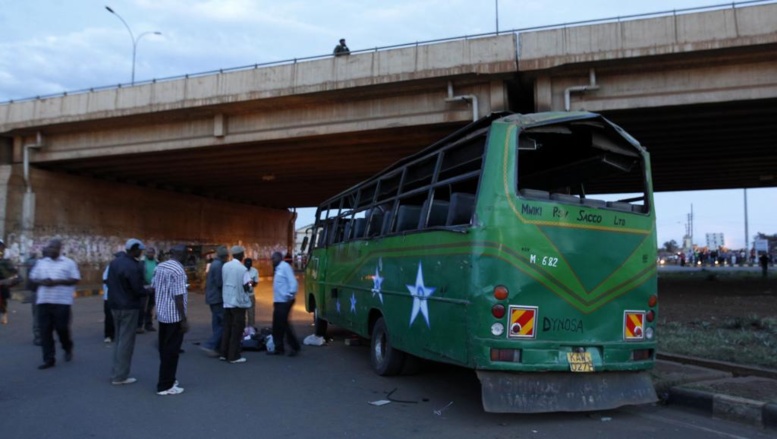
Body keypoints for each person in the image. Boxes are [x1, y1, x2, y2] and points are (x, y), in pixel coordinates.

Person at [29, 239, 80, 369]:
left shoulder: (69, 263)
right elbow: (33, 278)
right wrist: (42, 281)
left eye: (54, 248)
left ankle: (67, 347)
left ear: (59, 249)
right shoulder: (41, 263)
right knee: (45, 331)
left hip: (62, 302)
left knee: (62, 328)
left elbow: (75, 279)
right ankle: (48, 359)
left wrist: (57, 282)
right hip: (43, 301)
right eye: (50, 248)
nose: (51, 250)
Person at [107, 238, 146, 385]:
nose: (140, 252)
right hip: (129, 306)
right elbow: (137, 288)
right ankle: (120, 376)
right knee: (126, 342)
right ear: (134, 249)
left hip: (115, 305)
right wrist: (147, 291)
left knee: (119, 340)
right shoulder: (132, 266)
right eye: (139, 250)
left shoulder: (115, 263)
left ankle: (116, 371)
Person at [153, 245, 189, 396]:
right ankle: (165, 385)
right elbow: (179, 296)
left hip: (162, 315)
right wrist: (183, 319)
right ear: (182, 254)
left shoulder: (160, 266)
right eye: (186, 253)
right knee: (172, 351)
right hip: (174, 316)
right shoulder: (178, 270)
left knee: (164, 349)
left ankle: (168, 379)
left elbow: (154, 287)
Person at [220, 245, 251, 363]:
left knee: (227, 328)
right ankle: (233, 356)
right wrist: (250, 286)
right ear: (241, 255)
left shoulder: (225, 266)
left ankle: (223, 353)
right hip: (238, 302)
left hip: (227, 301)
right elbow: (247, 285)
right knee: (237, 329)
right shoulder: (242, 269)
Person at [268, 251, 300, 357]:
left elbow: (293, 282)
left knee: (283, 324)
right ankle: (280, 347)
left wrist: (289, 295)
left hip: (284, 301)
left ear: (279, 258)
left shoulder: (285, 267)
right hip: (278, 301)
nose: (272, 261)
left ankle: (293, 346)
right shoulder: (277, 269)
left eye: (273, 259)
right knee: (278, 325)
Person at [200, 246, 228, 357]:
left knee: (216, 322)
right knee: (223, 323)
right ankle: (210, 345)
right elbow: (219, 283)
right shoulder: (219, 266)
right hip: (217, 298)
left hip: (212, 297)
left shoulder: (214, 264)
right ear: (224, 256)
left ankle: (216, 347)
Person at [102, 252, 123, 343]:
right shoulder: (110, 267)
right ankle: (108, 335)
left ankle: (118, 334)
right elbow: (105, 280)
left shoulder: (124, 267)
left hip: (120, 296)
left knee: (120, 316)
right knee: (109, 316)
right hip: (109, 296)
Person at [137, 247, 158, 333]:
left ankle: (148, 325)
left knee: (150, 307)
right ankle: (139, 325)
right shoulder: (141, 262)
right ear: (146, 253)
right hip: (143, 287)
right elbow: (138, 274)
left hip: (153, 287)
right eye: (148, 253)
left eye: (151, 253)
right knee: (141, 307)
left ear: (154, 253)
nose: (150, 254)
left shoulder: (157, 262)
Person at [0, 239, 20, 325]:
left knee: (3, 300)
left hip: (3, 282)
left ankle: (4, 315)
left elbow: (13, 271)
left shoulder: (5, 258)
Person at [24, 251, 41, 344]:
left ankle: (40, 336)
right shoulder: (39, 264)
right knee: (38, 315)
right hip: (37, 292)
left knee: (38, 316)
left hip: (38, 293)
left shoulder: (30, 261)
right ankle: (39, 336)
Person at [244, 258, 259, 328]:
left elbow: (255, 283)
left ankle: (251, 328)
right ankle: (242, 329)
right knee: (241, 314)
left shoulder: (254, 271)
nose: (248, 267)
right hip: (242, 295)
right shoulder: (241, 270)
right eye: (246, 265)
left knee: (251, 313)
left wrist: (249, 284)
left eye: (249, 265)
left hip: (250, 294)